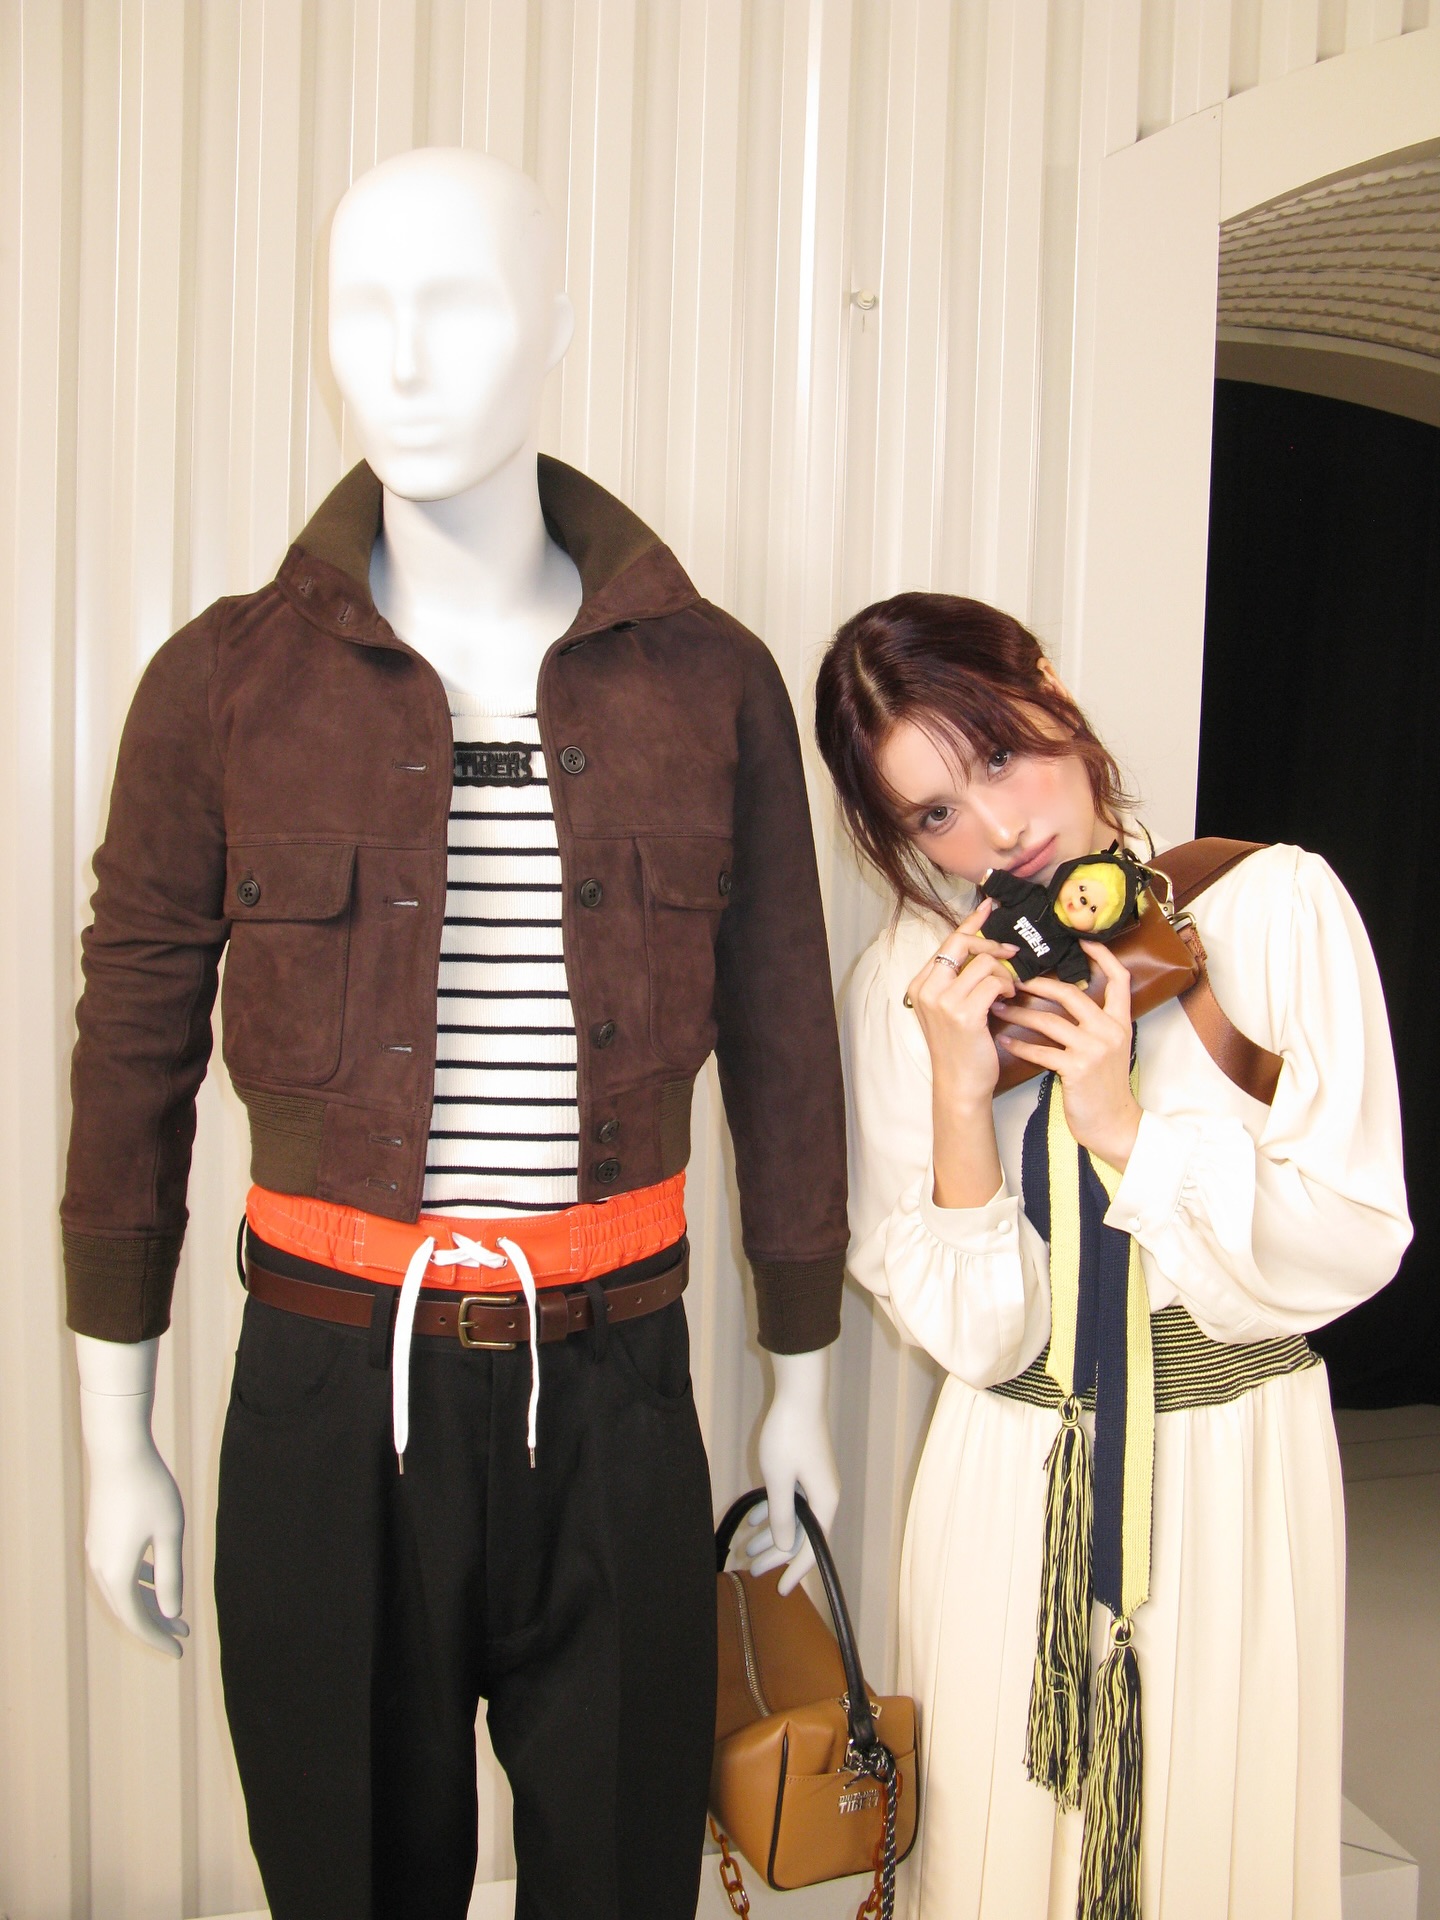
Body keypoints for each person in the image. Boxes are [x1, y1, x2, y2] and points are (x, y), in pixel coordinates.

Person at [62, 149, 846, 1920]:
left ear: (554, 326)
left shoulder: (708, 681)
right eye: (363, 310)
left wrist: (800, 1378)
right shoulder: (223, 684)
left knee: (623, 1877)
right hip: (329, 1395)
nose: (404, 358)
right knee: (344, 1877)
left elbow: (786, 1041)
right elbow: (131, 1062)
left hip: (620, 1390)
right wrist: (117, 1428)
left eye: (459, 304)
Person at [813, 591, 1409, 1920]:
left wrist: (1121, 1128)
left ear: (1050, 688)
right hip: (1009, 1484)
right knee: (1001, 1847)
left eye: (998, 754)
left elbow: (1356, 1233)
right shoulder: (917, 983)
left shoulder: (1273, 905)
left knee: (1212, 1842)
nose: (995, 827)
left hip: (1233, 1468)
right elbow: (978, 1342)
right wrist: (960, 1095)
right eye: (935, 813)